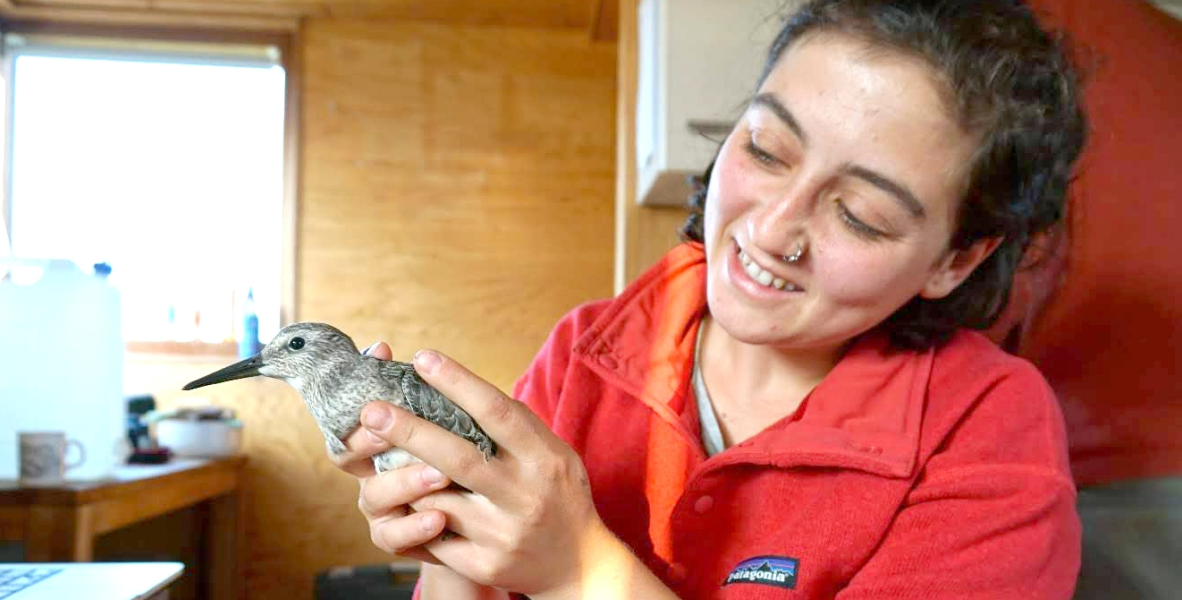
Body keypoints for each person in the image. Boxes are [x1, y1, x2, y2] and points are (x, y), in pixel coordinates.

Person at [330, 0, 1089, 597]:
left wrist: (579, 574)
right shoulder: (588, 350)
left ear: (957, 260)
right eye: (765, 148)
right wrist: (449, 530)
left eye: (862, 215)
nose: (773, 227)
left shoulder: (988, 428)